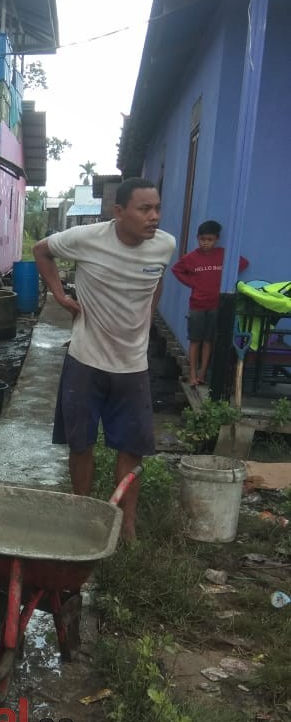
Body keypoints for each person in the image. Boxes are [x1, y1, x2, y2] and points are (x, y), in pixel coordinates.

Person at [32, 177, 176, 540]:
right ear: (119, 212)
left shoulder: (164, 246)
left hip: (133, 366)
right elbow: (40, 249)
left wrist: (145, 317)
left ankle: (125, 524)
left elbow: (156, 279)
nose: (154, 216)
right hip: (85, 360)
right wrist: (60, 295)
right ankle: (82, 513)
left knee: (132, 449)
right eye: (145, 209)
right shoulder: (87, 238)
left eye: (157, 208)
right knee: (81, 444)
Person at [171, 220, 248, 385]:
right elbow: (176, 270)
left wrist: (226, 280)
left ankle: (202, 374)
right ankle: (192, 375)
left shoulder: (223, 254)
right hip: (197, 305)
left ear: (217, 239)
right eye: (203, 239)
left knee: (208, 341)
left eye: (210, 239)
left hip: (216, 305)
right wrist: (193, 283)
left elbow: (242, 263)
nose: (206, 243)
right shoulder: (191, 258)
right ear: (197, 238)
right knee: (195, 340)